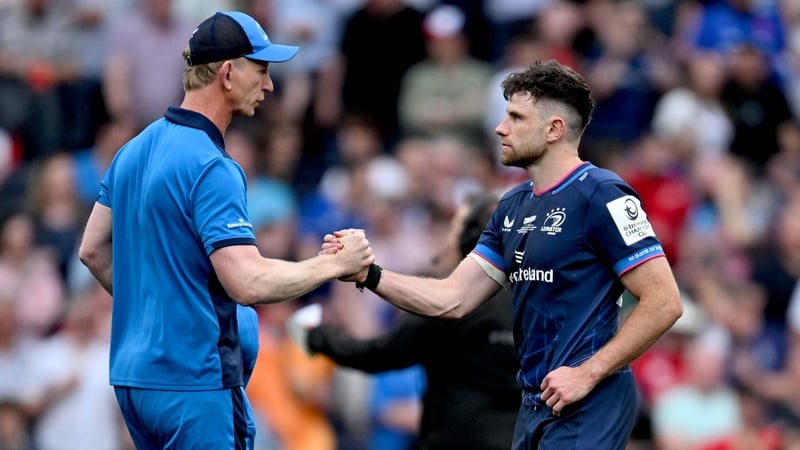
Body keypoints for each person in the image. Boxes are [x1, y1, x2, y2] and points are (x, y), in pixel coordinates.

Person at [324, 59, 683, 449]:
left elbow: (664, 301)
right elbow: (451, 299)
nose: (500, 127)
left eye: (515, 117)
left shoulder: (602, 195)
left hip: (588, 401)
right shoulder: (512, 205)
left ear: (554, 129)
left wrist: (587, 373)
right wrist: (369, 273)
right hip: (533, 403)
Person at [78, 10, 374, 450]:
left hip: (135, 383)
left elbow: (93, 251)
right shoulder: (213, 165)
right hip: (194, 385)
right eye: (263, 69)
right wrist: (333, 265)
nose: (270, 85)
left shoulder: (132, 150)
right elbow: (248, 281)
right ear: (229, 72)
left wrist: (158, 314)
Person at [293, 190, 521, 450]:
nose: (445, 241)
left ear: (471, 240)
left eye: (453, 229)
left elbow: (376, 354)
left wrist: (316, 335)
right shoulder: (530, 297)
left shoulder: (445, 306)